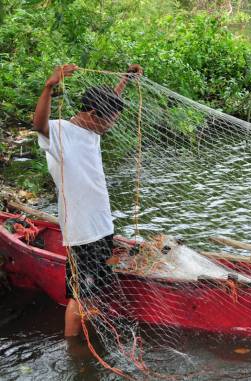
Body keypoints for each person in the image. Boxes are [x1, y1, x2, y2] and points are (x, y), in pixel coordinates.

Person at [32, 63, 143, 337]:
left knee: (95, 289)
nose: (112, 125)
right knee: (80, 296)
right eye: (110, 119)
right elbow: (39, 125)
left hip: (102, 225)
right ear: (93, 114)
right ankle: (76, 351)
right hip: (82, 232)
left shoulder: (92, 131)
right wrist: (49, 86)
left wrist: (124, 80)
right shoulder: (60, 133)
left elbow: (108, 106)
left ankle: (91, 328)